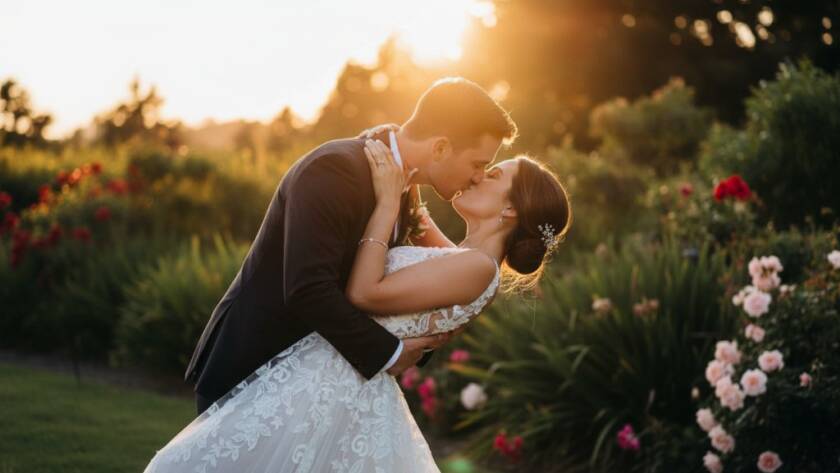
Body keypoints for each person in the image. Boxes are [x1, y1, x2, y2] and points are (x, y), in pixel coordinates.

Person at [144, 133, 571, 472]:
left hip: (333, 388)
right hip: (329, 375)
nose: (479, 176)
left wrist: (387, 202)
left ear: (512, 210)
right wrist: (402, 156)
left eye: (492, 174)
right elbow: (421, 221)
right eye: (482, 167)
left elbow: (364, 293)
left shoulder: (477, 268)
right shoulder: (465, 259)